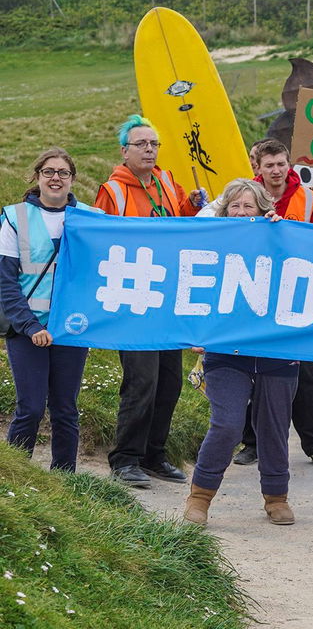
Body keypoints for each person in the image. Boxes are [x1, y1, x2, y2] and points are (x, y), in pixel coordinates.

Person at [184, 179, 299, 527]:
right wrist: (196, 331)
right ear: (224, 210)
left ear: (264, 211)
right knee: (228, 424)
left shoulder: (285, 241)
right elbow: (191, 285)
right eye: (234, 206)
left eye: (249, 206)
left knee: (274, 427)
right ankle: (199, 498)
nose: (241, 212)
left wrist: (286, 238)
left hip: (277, 349)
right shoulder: (211, 246)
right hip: (225, 350)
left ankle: (276, 497)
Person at [96, 115, 203, 488]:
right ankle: (124, 458)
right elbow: (102, 242)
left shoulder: (167, 181)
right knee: (141, 381)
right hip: (134, 300)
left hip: (168, 299)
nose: (149, 150)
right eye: (141, 144)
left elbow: (182, 224)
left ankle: (155, 455)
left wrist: (191, 204)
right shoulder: (113, 190)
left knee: (170, 382)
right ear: (124, 150)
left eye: (154, 144)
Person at [234, 139, 313, 471]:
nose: (277, 170)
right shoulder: (245, 197)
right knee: (253, 373)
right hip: (256, 294)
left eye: (281, 163)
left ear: (288, 164)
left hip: (297, 296)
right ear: (258, 168)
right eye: (269, 165)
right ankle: (251, 443)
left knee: (304, 374)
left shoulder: (307, 198)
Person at [1, 149, 99, 472]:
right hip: (26, 328)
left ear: (72, 179)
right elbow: (6, 282)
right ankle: (14, 476)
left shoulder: (90, 216)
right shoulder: (14, 218)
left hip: (70, 330)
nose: (55, 177)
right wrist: (31, 327)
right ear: (37, 177)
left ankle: (64, 480)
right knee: (30, 407)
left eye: (63, 172)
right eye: (48, 171)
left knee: (65, 409)